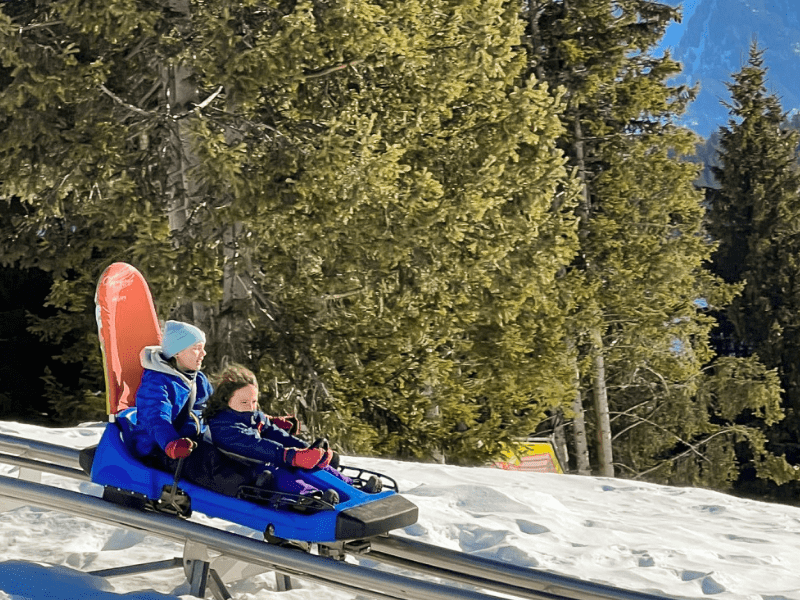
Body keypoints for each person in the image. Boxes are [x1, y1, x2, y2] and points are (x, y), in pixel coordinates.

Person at [203, 364, 365, 505]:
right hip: (244, 468)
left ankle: (349, 486)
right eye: (244, 402)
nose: (251, 407)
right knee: (281, 473)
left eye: (254, 401)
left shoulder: (254, 415)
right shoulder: (222, 424)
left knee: (307, 465)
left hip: (265, 460)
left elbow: (276, 434)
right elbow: (253, 445)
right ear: (226, 400)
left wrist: (305, 450)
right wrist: (290, 456)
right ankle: (307, 498)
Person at [124, 320, 249, 496]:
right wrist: (171, 443)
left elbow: (217, 409)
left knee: (230, 446)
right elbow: (156, 417)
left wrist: (250, 422)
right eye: (196, 348)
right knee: (208, 459)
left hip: (190, 440)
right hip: (161, 449)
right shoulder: (157, 383)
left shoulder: (197, 379)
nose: (203, 353)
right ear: (177, 352)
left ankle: (257, 476)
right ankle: (246, 489)